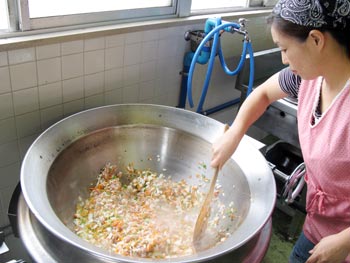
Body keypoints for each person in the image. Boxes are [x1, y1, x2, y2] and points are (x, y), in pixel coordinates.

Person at [210, 0, 350, 262]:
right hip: (319, 223)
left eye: (284, 48)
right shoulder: (308, 77)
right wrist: (235, 133)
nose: (283, 59)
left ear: (316, 40)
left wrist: (344, 241)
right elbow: (262, 94)